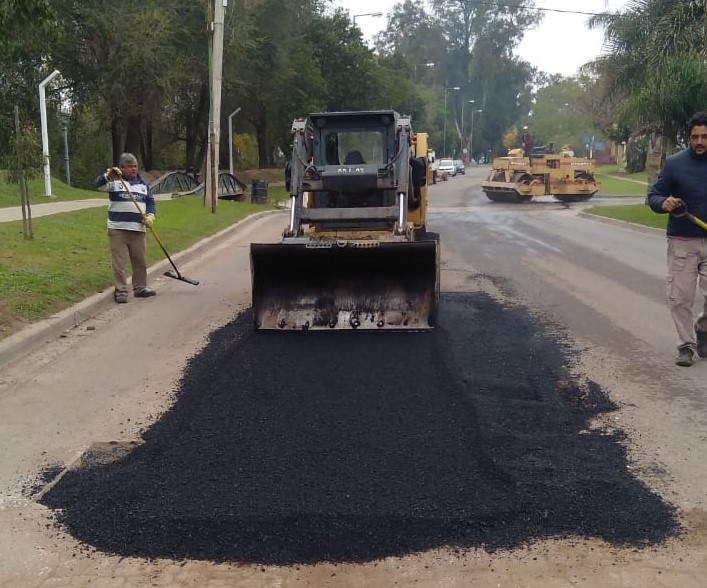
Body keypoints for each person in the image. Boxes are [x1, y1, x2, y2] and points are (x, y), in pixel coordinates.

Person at [647, 111, 707, 366]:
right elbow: (654, 196)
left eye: (705, 137)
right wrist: (664, 203)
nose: (700, 142)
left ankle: (703, 329)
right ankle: (685, 346)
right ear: (688, 137)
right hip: (683, 240)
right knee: (681, 297)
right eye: (695, 137)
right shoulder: (675, 164)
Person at [94, 152, 157, 303]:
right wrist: (108, 175)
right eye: (129, 166)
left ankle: (140, 288)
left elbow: (150, 202)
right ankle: (121, 290)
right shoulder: (115, 183)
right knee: (119, 263)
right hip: (118, 229)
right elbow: (98, 185)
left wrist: (150, 216)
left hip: (138, 229)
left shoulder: (143, 185)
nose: (133, 169)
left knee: (139, 261)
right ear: (122, 168)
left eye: (135, 166)